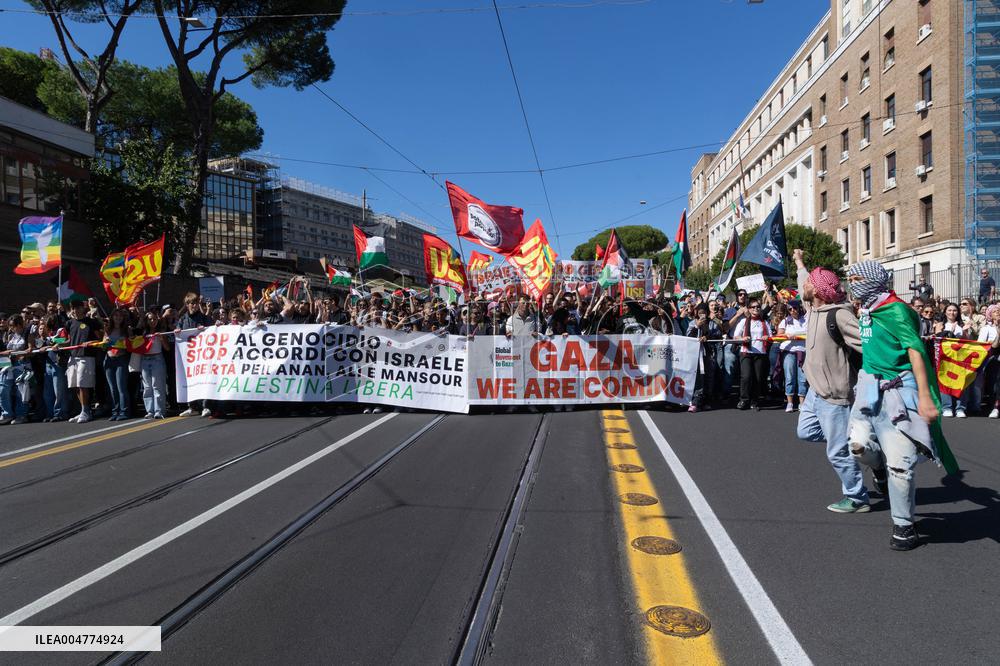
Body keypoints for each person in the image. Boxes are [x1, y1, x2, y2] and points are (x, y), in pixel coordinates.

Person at [845, 260, 958, 551]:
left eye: (857, 277)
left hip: (898, 390)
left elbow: (916, 351)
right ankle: (877, 469)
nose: (852, 283)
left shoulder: (895, 310)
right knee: (857, 446)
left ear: (872, 281)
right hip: (869, 387)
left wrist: (924, 396)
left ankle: (904, 526)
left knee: (901, 463)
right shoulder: (866, 308)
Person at [792, 250, 870, 513]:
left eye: (808, 282)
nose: (803, 284)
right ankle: (866, 451)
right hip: (815, 392)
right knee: (805, 432)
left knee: (837, 452)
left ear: (818, 290)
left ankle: (857, 497)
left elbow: (866, 344)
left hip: (835, 396)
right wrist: (800, 262)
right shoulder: (812, 308)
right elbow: (804, 277)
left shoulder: (839, 315)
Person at [176, 292, 213, 417]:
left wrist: (209, 327)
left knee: (203, 379)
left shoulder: (203, 317)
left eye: (196, 303)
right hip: (189, 356)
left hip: (202, 355)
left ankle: (205, 406)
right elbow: (178, 333)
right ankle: (192, 406)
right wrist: (177, 331)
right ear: (187, 305)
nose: (194, 305)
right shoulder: (182, 319)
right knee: (189, 380)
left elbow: (213, 329)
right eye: (192, 303)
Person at [66, 299, 103, 423]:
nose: (75, 310)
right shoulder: (70, 323)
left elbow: (101, 339)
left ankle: (87, 411)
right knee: (76, 385)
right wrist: (58, 345)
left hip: (86, 356)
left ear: (83, 308)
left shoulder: (91, 322)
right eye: (73, 308)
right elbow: (69, 340)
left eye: (77, 307)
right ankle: (83, 410)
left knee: (83, 385)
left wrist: (91, 342)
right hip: (73, 357)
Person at [734, 296, 771, 411]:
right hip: (746, 352)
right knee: (746, 376)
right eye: (753, 307)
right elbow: (735, 337)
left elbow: (770, 336)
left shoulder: (764, 322)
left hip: (760, 353)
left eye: (758, 307)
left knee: (758, 378)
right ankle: (744, 399)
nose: (756, 309)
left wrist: (767, 337)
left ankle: (754, 401)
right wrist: (743, 338)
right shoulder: (743, 321)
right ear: (749, 309)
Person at [933, 303, 967, 418]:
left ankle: (960, 408)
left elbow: (968, 342)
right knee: (945, 382)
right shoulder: (940, 325)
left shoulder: (963, 325)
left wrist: (965, 332)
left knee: (961, 382)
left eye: (955, 310)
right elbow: (937, 339)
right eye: (949, 310)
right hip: (945, 358)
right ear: (945, 312)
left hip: (960, 358)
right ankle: (947, 407)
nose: (952, 313)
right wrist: (949, 332)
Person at [137, 309, 171, 419]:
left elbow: (167, 348)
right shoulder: (143, 333)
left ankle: (159, 410)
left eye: (154, 319)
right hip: (145, 360)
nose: (152, 321)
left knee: (157, 385)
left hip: (157, 359)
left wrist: (161, 339)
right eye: (150, 319)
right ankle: (150, 410)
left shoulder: (161, 332)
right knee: (147, 387)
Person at [1, 314, 34, 424]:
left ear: (19, 325)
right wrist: (8, 353)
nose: (11, 328)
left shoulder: (28, 334)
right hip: (9, 365)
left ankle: (21, 415)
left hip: (22, 366)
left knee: (21, 391)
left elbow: (31, 349)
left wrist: (23, 353)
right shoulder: (10, 336)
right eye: (10, 326)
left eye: (13, 325)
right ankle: (7, 414)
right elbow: (7, 350)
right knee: (3, 389)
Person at [778, 300, 808, 412]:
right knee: (789, 376)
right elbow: (779, 335)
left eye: (794, 308)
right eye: (790, 309)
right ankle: (790, 402)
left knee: (802, 378)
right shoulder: (785, 321)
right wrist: (787, 336)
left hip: (803, 351)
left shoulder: (806, 319)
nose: (792, 311)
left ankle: (802, 403)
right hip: (789, 351)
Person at [102, 308, 132, 421]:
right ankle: (115, 411)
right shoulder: (107, 330)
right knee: (112, 388)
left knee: (121, 387)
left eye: (120, 316)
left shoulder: (127, 330)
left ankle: (124, 411)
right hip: (109, 360)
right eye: (116, 315)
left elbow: (131, 345)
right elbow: (103, 347)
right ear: (112, 317)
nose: (118, 318)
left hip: (121, 359)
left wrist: (123, 343)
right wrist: (105, 343)